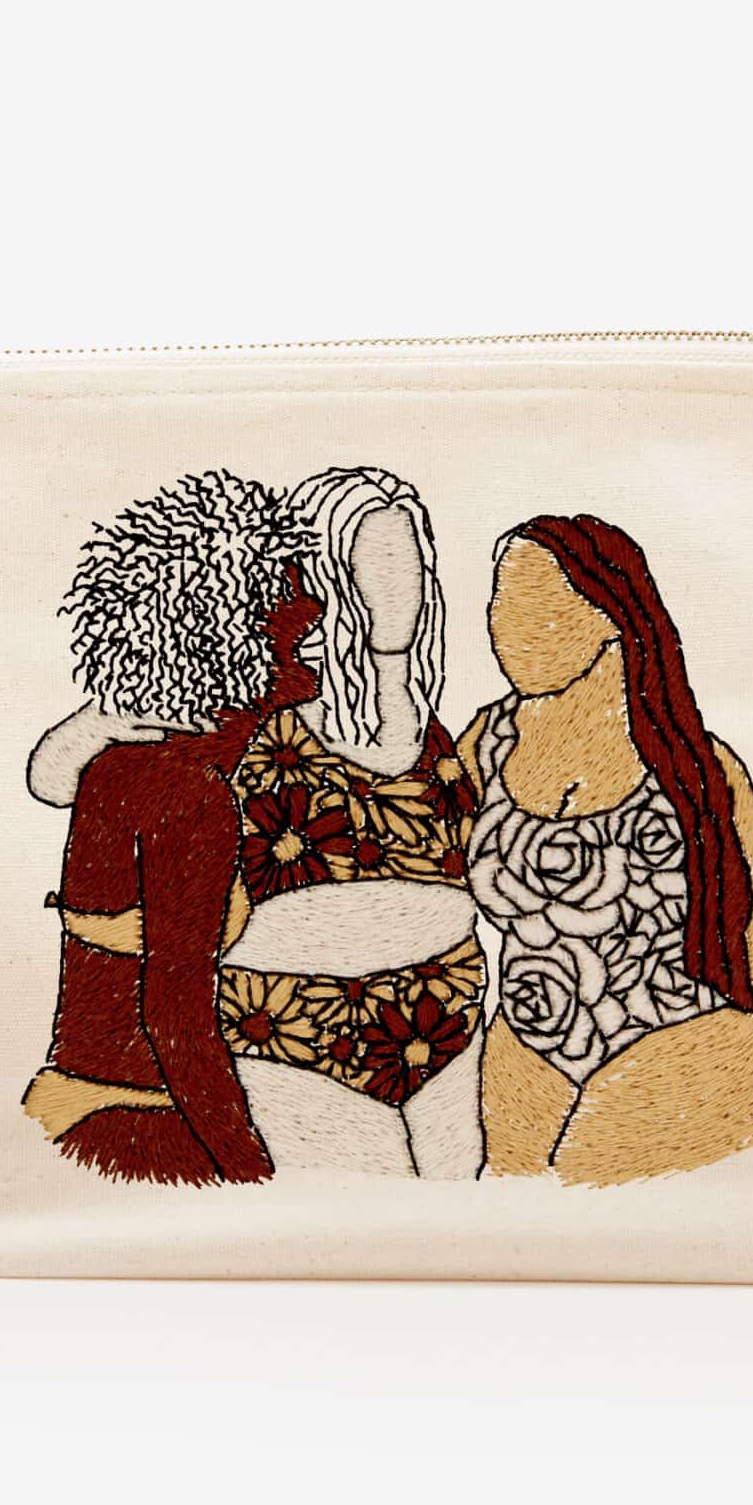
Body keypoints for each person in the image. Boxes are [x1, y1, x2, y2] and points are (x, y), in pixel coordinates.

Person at [460, 514, 753, 1182]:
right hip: (523, 1064)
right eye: (500, 598)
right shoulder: (485, 744)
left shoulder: (698, 770)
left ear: (607, 613)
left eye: (536, 599)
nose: (505, 623)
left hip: (679, 1054)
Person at [22, 470, 320, 1186]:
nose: (311, 613)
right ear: (229, 633)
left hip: (88, 1101)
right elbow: (174, 1017)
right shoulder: (188, 794)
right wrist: (248, 1170)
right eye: (285, 598)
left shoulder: (120, 767)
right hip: (144, 1123)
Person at [217, 467, 485, 1179]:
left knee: (461, 1216)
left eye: (408, 561)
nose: (396, 587)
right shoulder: (259, 708)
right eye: (366, 563)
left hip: (447, 1014)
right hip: (291, 1022)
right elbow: (52, 777)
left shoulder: (435, 725)